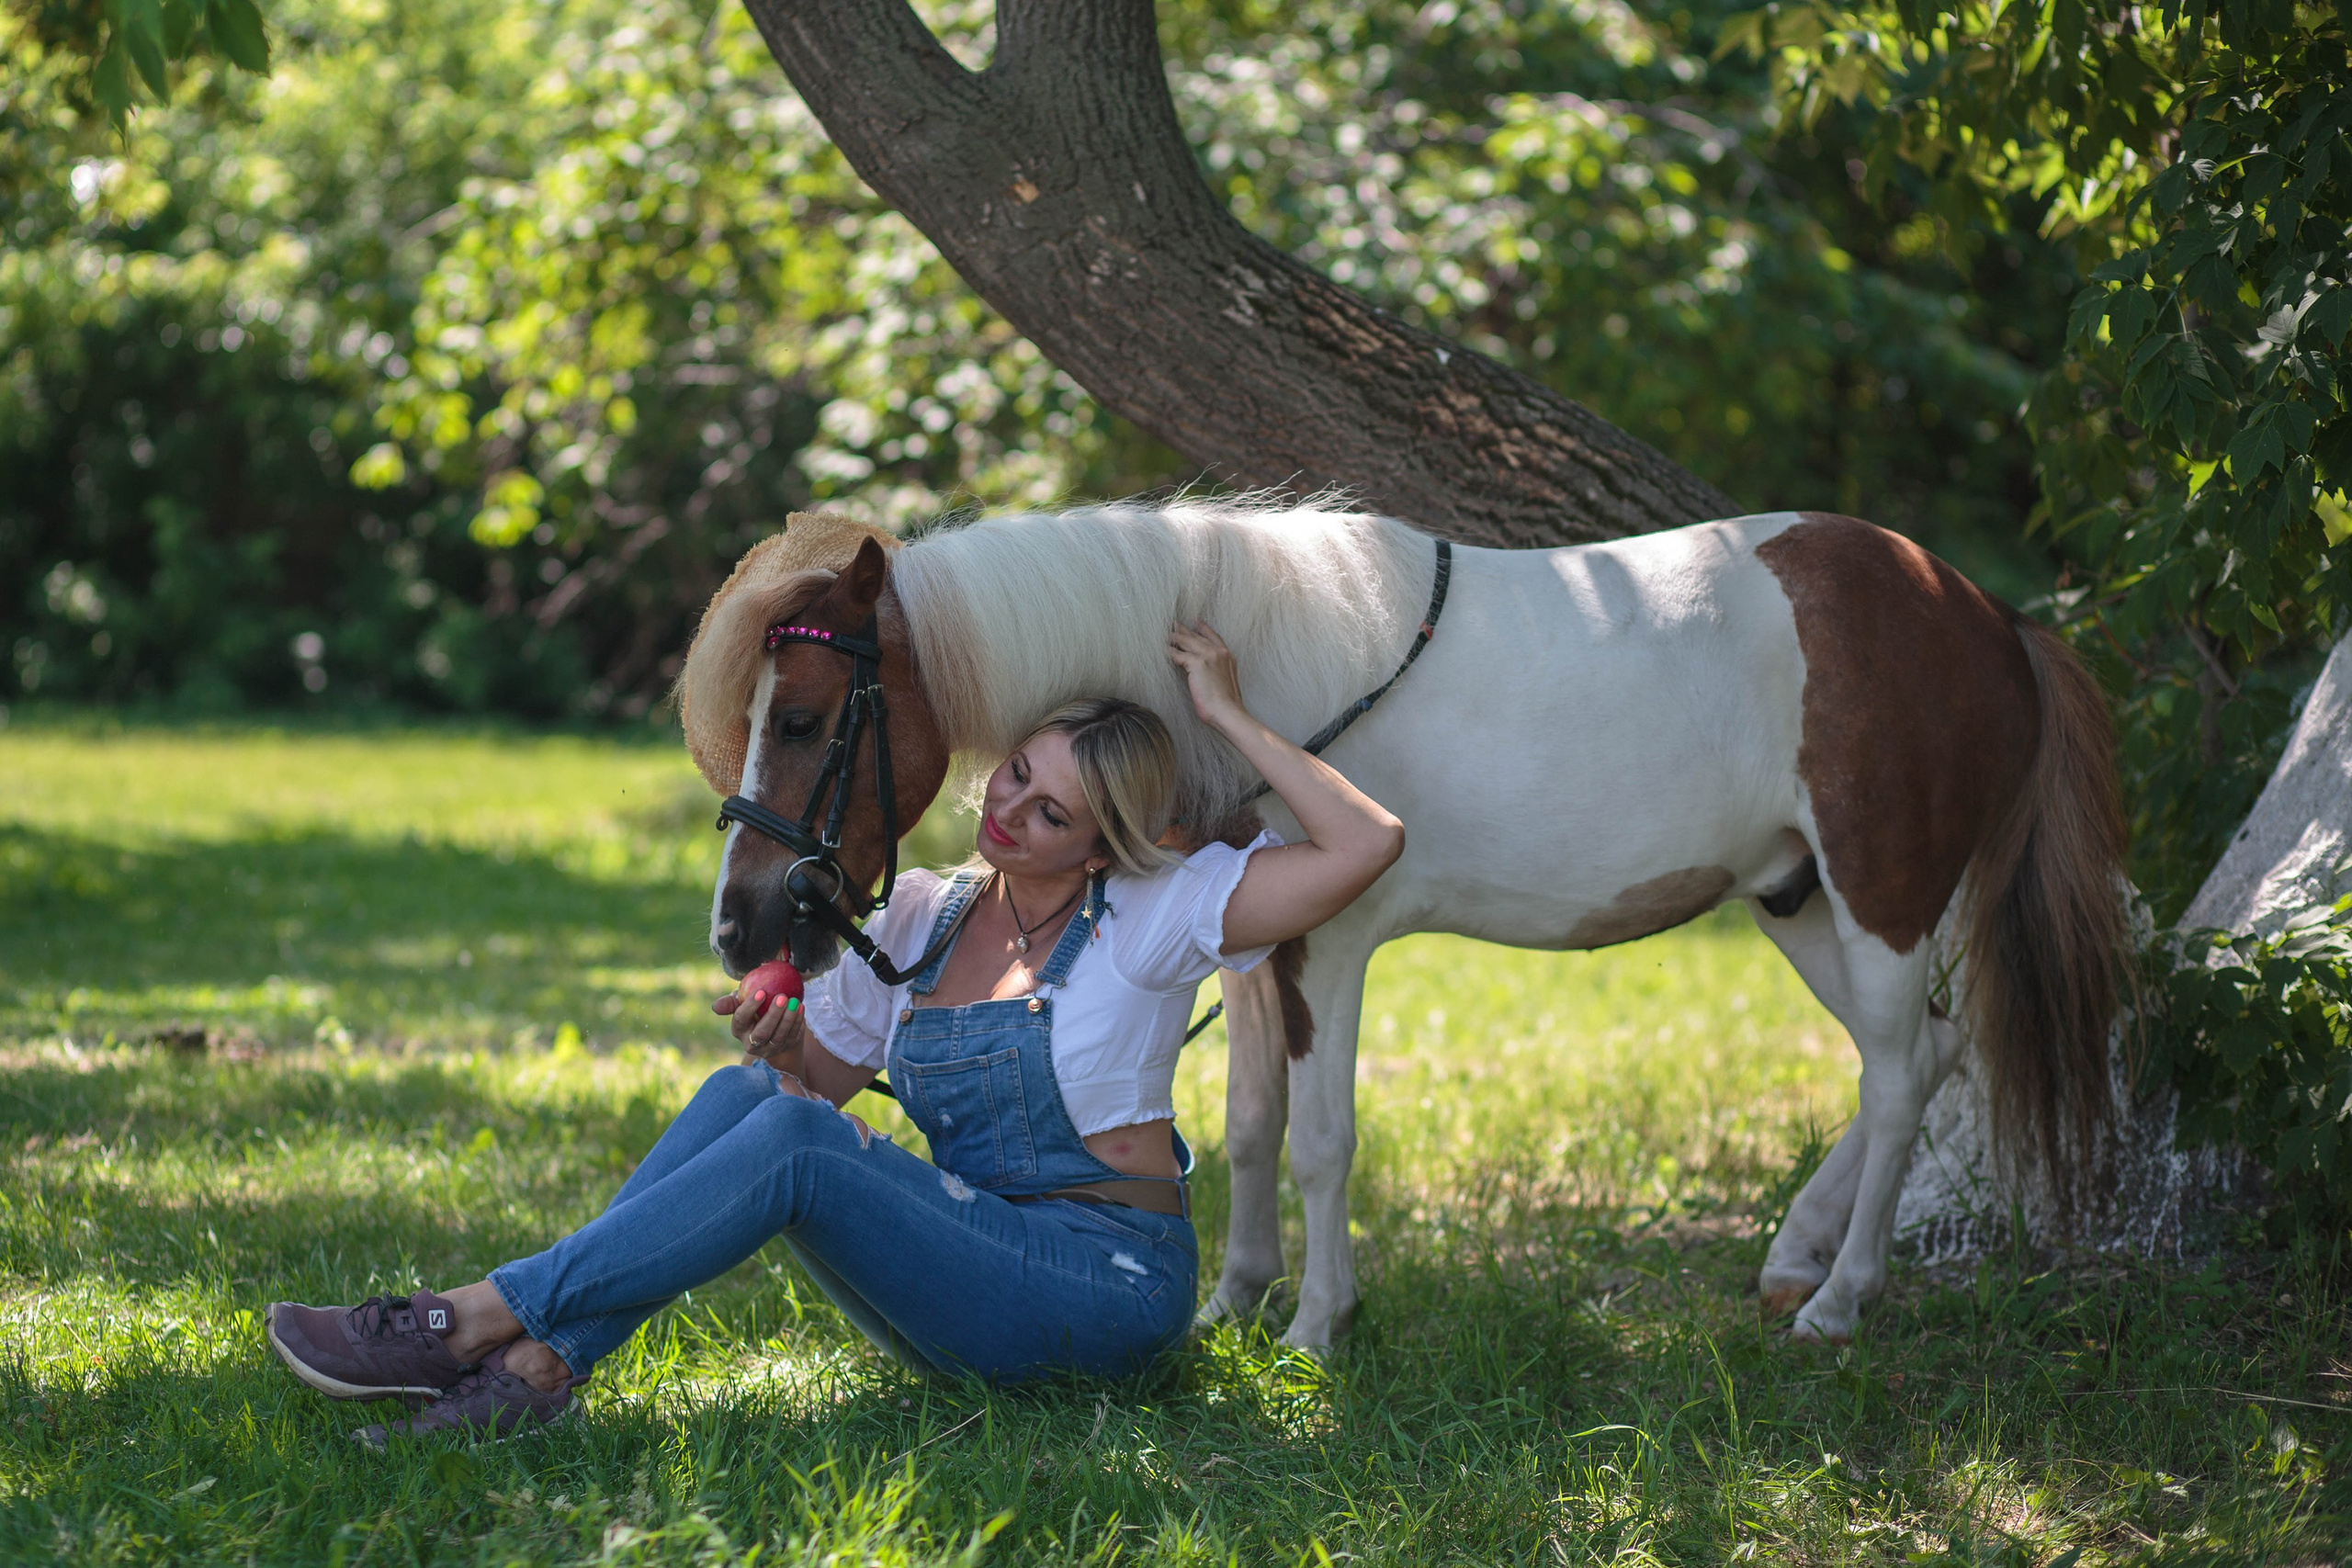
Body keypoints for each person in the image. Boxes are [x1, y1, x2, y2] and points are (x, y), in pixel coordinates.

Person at [264, 620, 1403, 1444]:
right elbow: (819, 1092)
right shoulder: (920, 914)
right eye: (1014, 775)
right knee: (749, 1102)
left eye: (1049, 812)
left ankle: (462, 1324)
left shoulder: (1152, 917)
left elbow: (1366, 845)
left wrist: (1227, 715)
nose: (1006, 808)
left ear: (1101, 847)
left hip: (1103, 1288)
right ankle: (534, 1372)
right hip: (969, 1269)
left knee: (795, 1142)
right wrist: (776, 1047)